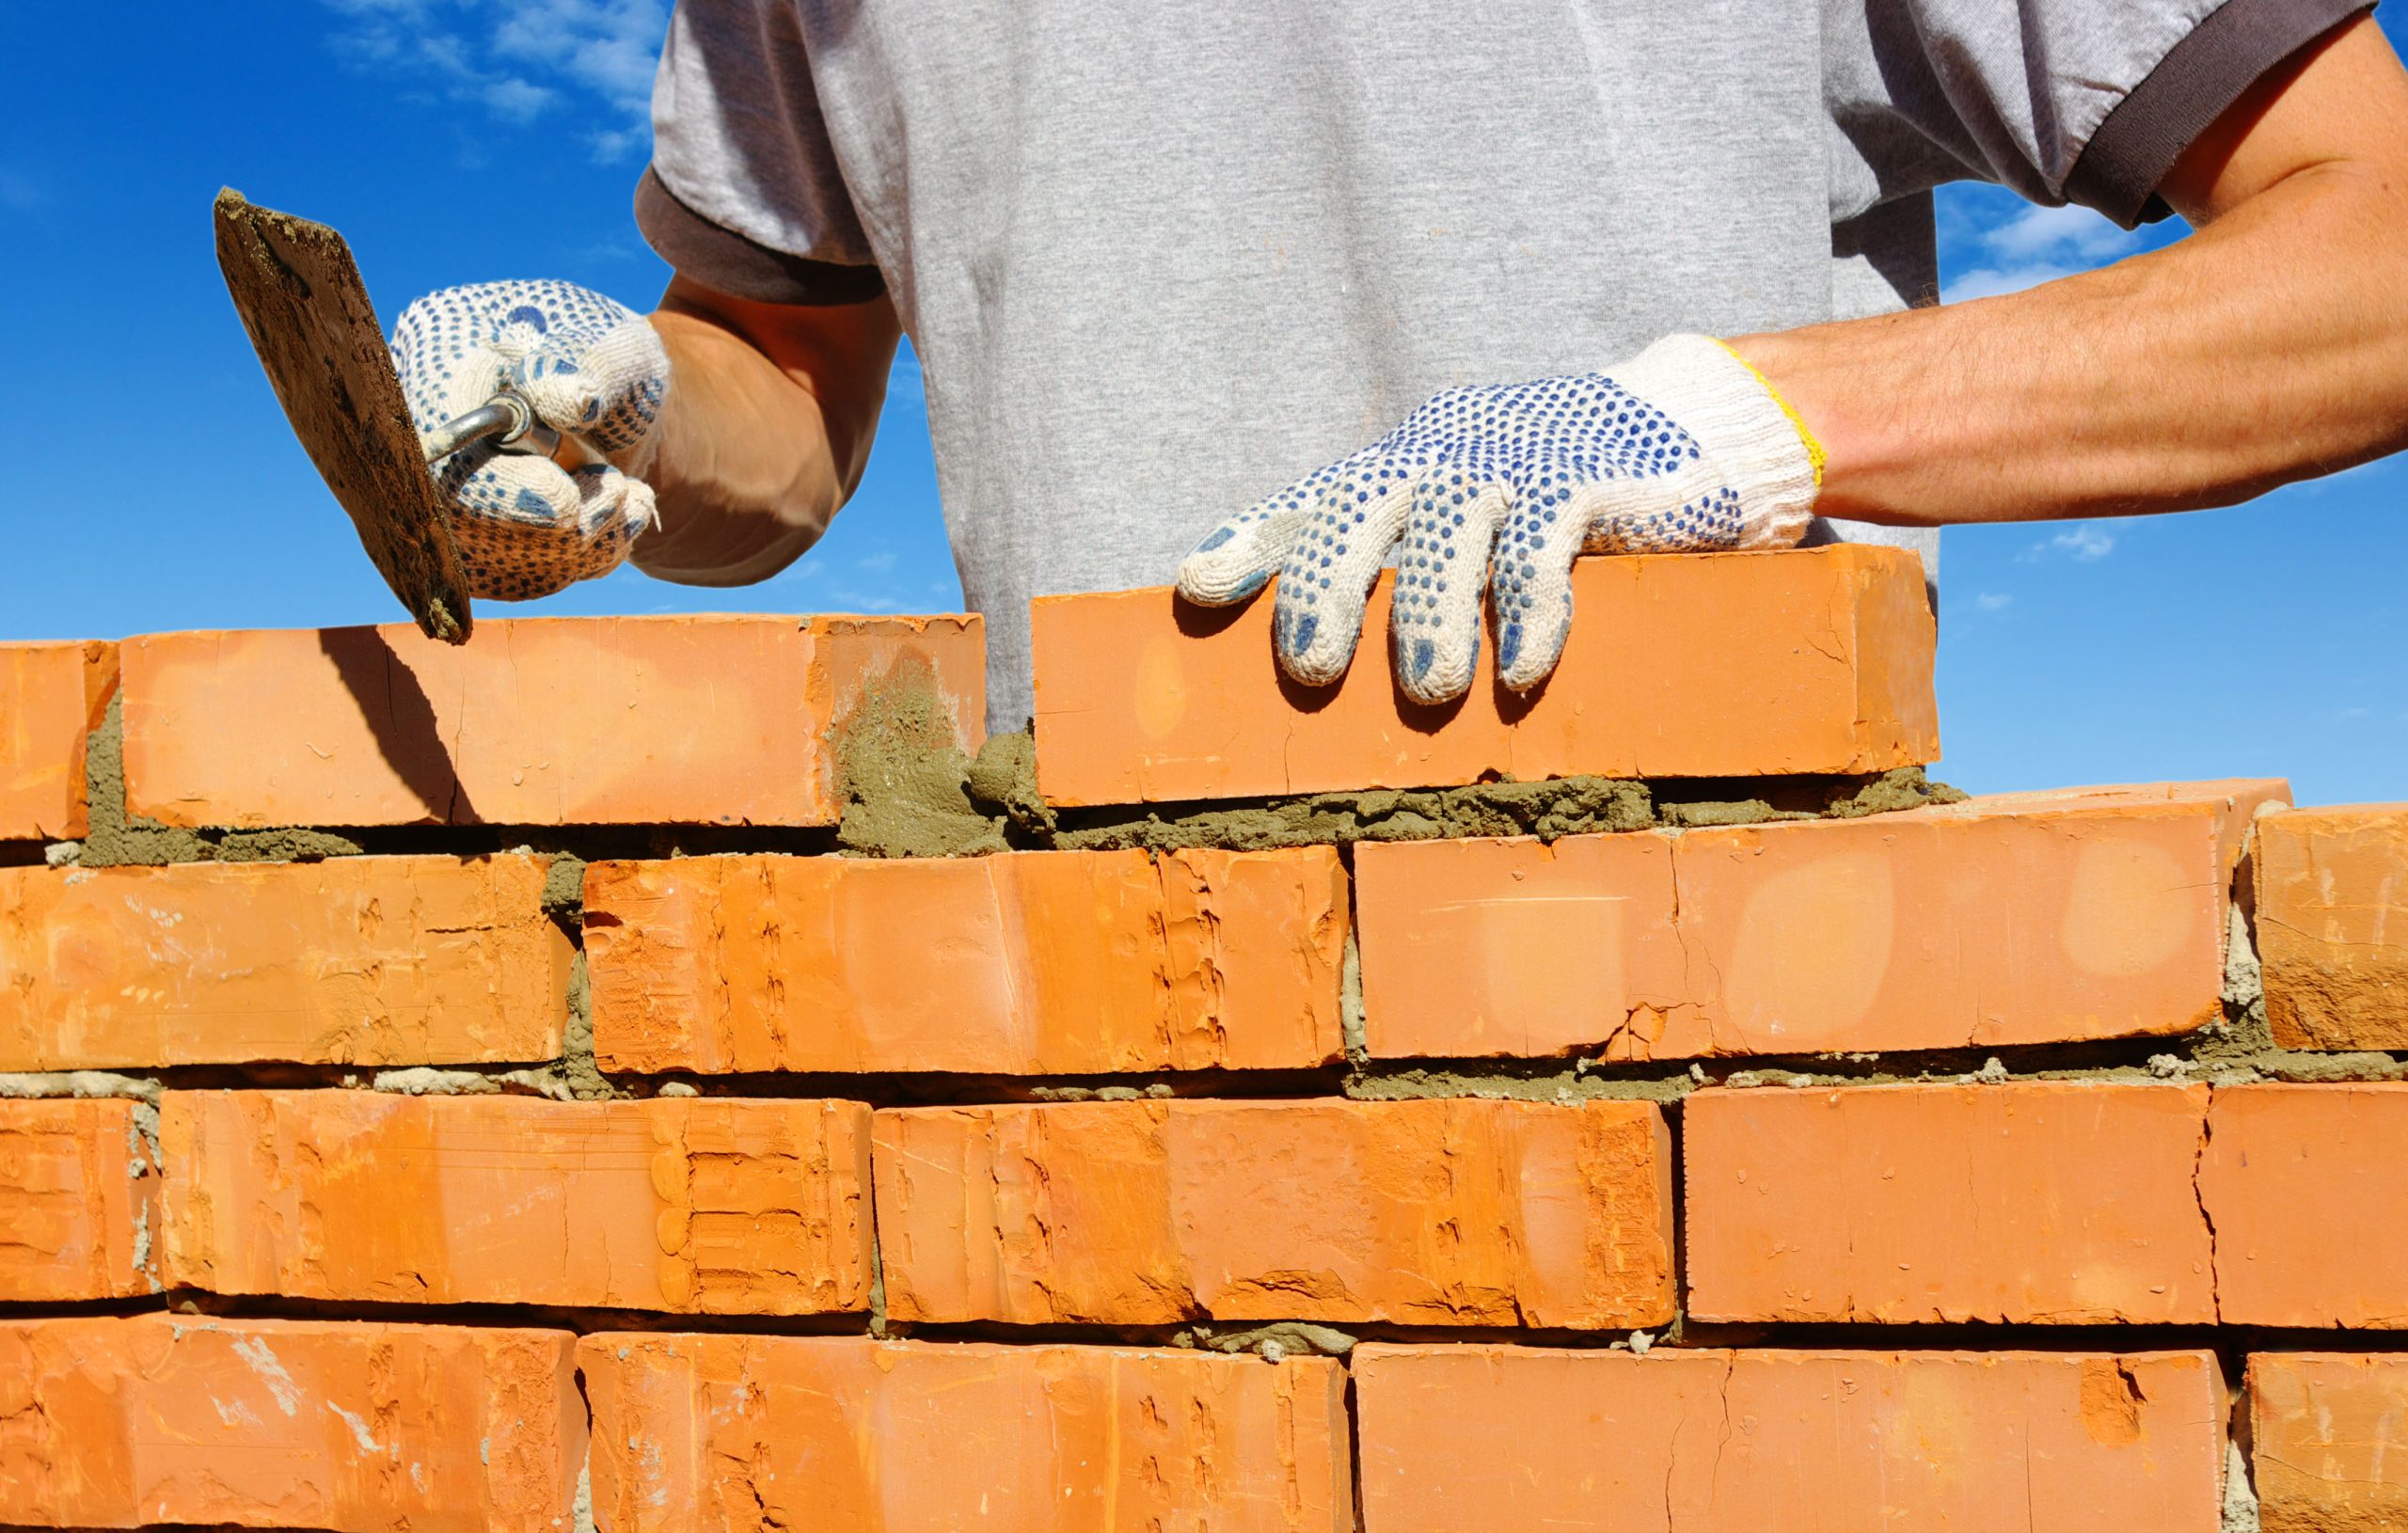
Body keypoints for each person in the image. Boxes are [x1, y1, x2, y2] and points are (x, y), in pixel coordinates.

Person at [390, 0, 2408, 735]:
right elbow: (786, 388)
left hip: (1689, 1010)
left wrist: (1728, 418)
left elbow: (2366, 258)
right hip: (1117, 999)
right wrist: (627, 400)